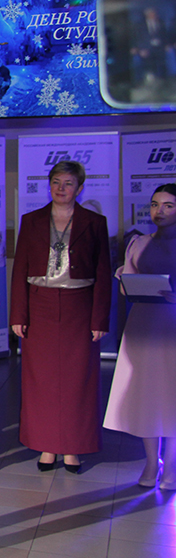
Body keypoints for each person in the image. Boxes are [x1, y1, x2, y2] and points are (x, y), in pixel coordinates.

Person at [10, 160, 110, 475]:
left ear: (79, 188)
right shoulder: (32, 220)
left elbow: (103, 272)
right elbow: (20, 269)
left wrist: (99, 319)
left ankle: (73, 448)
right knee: (41, 381)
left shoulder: (94, 222)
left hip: (79, 307)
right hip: (39, 307)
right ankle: (47, 445)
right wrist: (18, 314)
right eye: (56, 182)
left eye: (68, 183)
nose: (61, 188)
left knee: (78, 380)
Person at [104, 184, 176, 490]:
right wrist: (129, 282)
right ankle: (150, 461)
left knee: (170, 394)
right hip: (143, 324)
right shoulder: (139, 243)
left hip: (172, 325)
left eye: (169, 205)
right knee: (147, 393)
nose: (160, 211)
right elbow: (126, 286)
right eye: (155, 204)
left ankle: (171, 464)